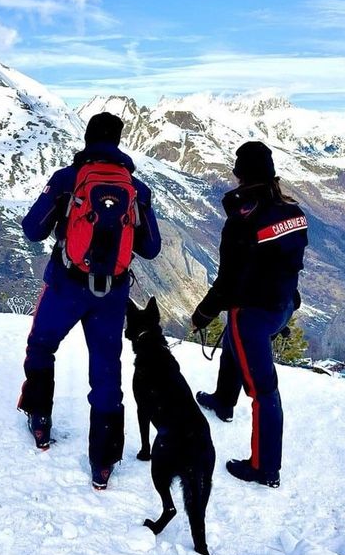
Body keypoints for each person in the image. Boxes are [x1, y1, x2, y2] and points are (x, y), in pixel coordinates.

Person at [18, 112, 162, 490]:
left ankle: (40, 420)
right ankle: (103, 461)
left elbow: (33, 229)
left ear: (87, 139)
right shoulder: (137, 188)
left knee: (42, 345)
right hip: (111, 294)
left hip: (65, 284)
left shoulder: (66, 179)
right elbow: (151, 248)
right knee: (106, 369)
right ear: (118, 141)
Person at [191, 141, 308, 488]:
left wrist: (202, 314)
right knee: (233, 341)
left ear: (240, 174)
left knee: (264, 391)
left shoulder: (243, 221)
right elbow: (290, 264)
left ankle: (265, 468)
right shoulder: (293, 212)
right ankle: (223, 401)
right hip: (283, 306)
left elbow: (227, 281)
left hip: (253, 314)